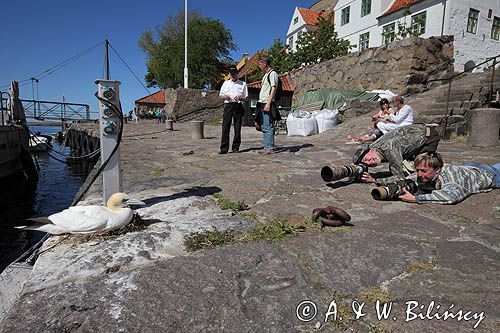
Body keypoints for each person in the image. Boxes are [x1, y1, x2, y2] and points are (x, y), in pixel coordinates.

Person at [353, 123, 441, 185]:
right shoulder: (373, 146)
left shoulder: (390, 149)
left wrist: (374, 180)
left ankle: (437, 176)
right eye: (366, 164)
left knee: (419, 169)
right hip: (419, 132)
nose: (369, 163)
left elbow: (399, 177)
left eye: (366, 159)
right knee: (404, 165)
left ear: (369, 151)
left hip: (429, 138)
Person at [399, 152, 500, 204]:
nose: (419, 175)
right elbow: (412, 177)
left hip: (489, 175)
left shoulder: (450, 177)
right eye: (417, 170)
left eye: (423, 171)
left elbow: (451, 196)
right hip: (469, 167)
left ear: (437, 169)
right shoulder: (431, 171)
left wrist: (415, 198)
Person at [218, 65, 248, 154]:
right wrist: (225, 96)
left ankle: (235, 147)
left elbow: (246, 97)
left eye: (234, 73)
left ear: (237, 73)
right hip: (228, 105)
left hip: (237, 105)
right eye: (231, 74)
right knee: (225, 127)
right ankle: (224, 148)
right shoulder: (226, 83)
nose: (233, 75)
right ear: (230, 74)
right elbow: (220, 95)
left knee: (237, 127)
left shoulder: (243, 84)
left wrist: (240, 98)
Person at [256, 56, 279, 154]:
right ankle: (266, 146)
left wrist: (268, 103)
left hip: (267, 102)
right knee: (264, 125)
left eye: (260, 64)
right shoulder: (265, 75)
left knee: (268, 125)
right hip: (262, 103)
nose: (259, 66)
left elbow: (273, 88)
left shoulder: (272, 74)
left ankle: (269, 147)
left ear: (264, 63)